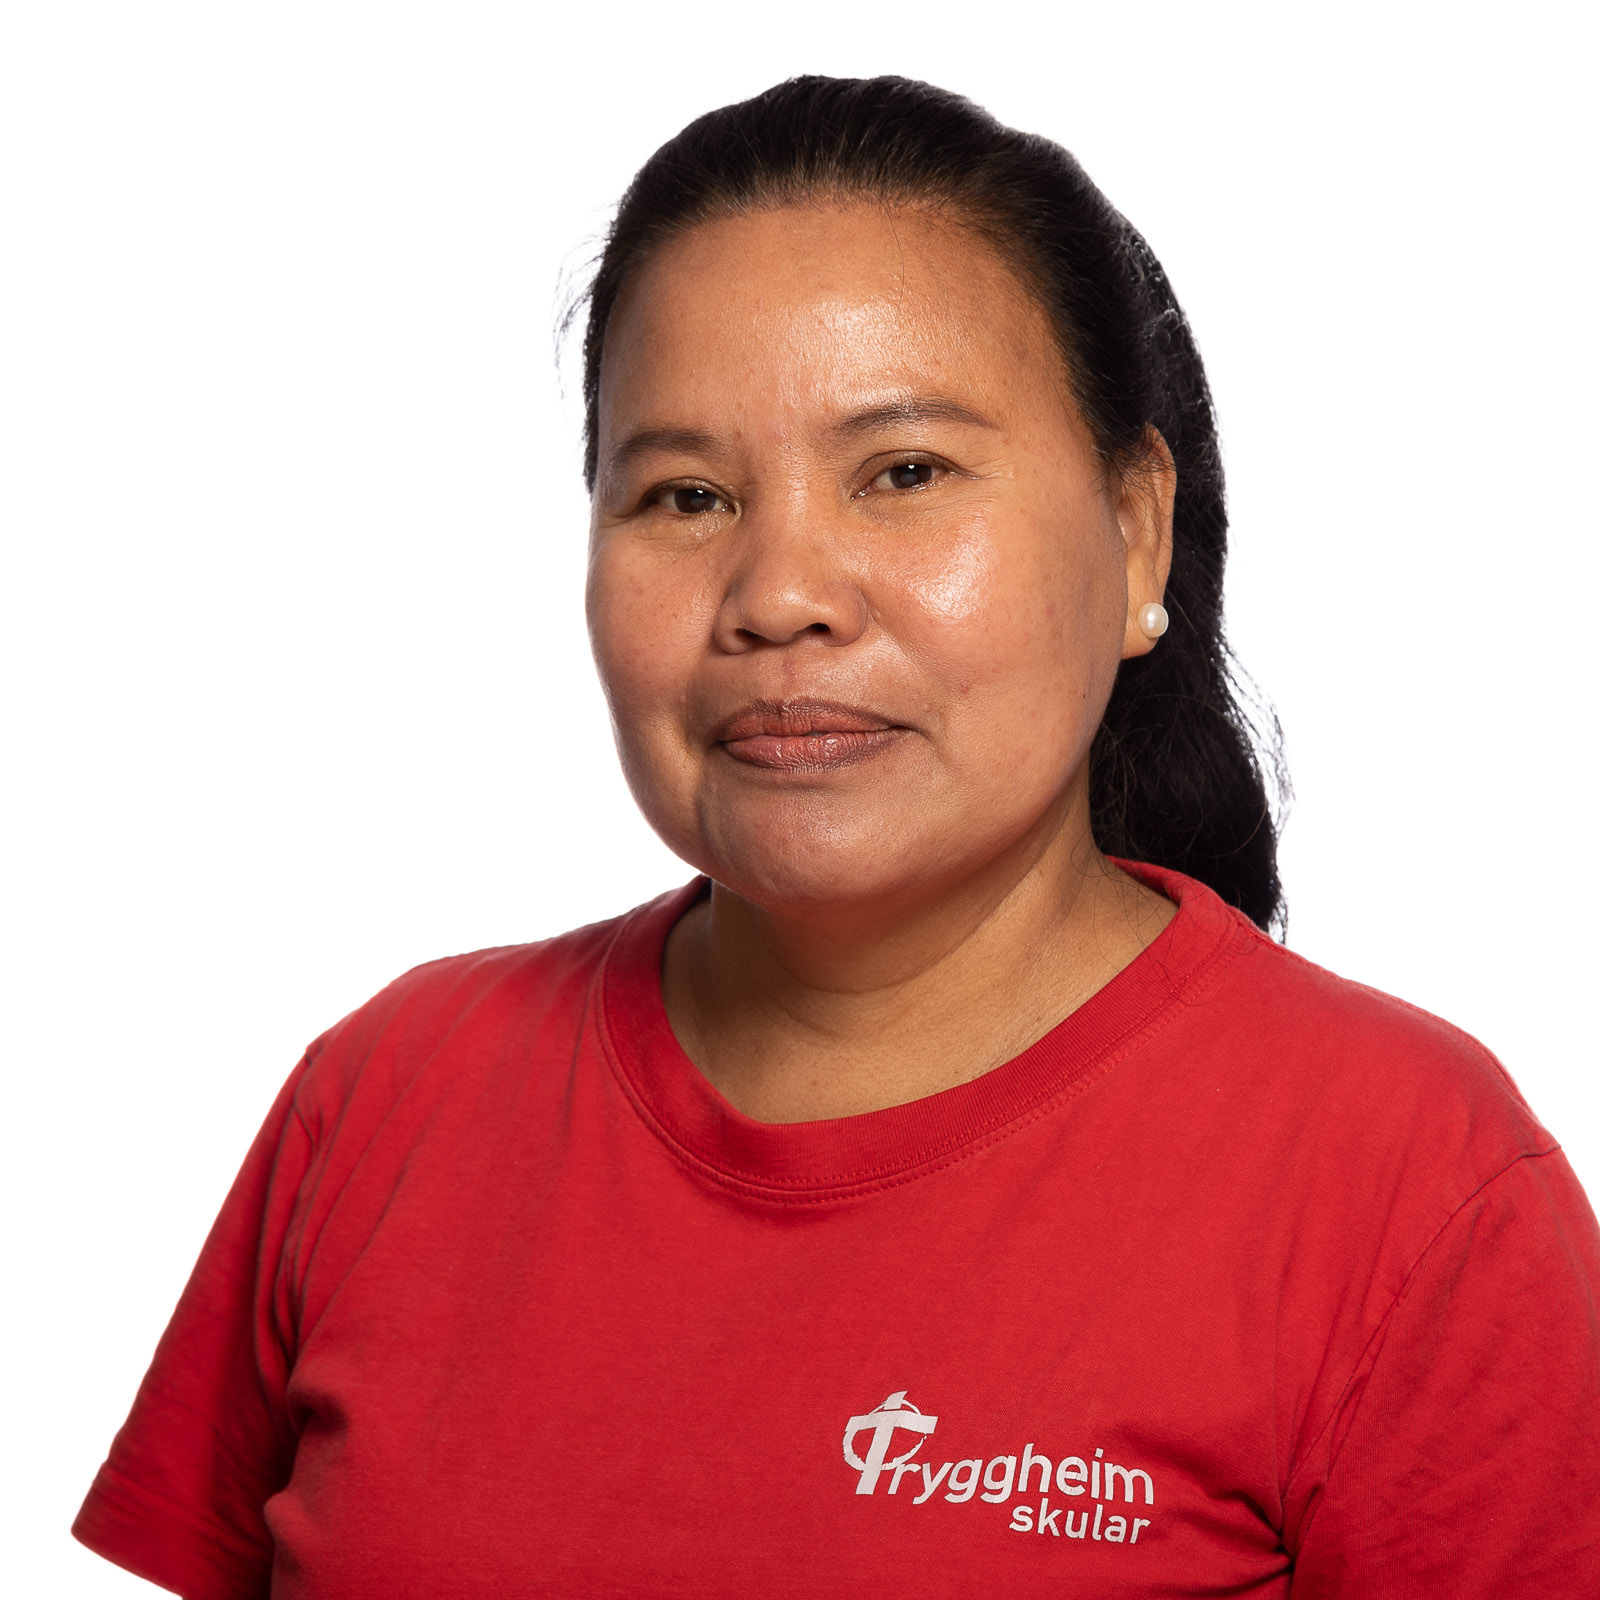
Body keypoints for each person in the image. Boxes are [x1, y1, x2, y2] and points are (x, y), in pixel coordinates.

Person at [75, 75, 1600, 1598]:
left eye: (906, 473)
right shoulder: (390, 1094)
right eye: (685, 495)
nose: (779, 593)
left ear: (1137, 531)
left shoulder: (1410, 1179)